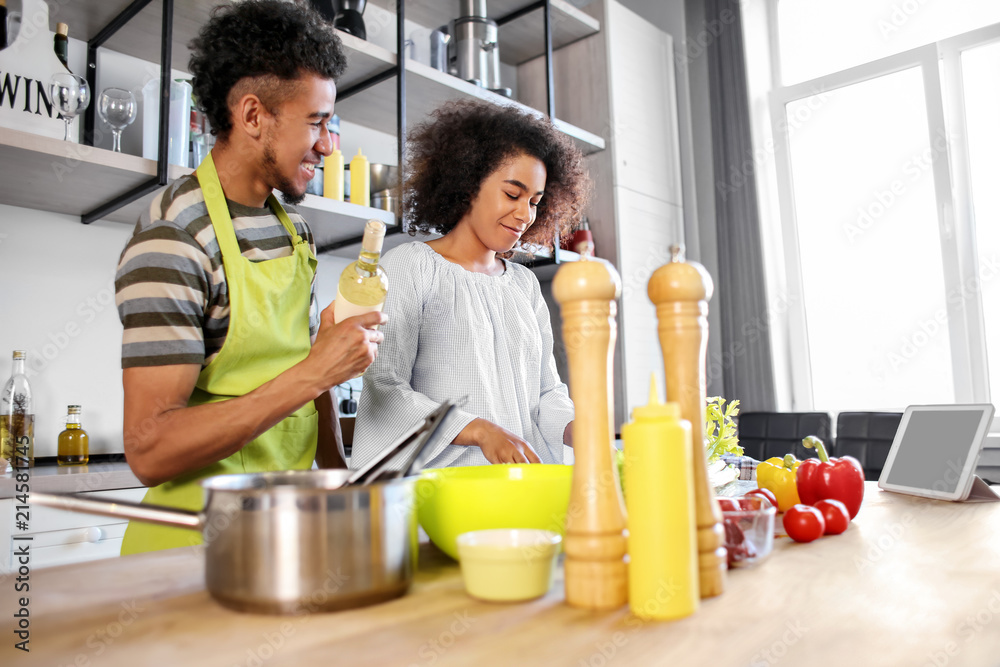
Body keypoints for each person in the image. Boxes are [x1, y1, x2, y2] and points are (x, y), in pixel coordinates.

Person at [114, 0, 385, 554]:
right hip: (192, 548)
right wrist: (314, 372)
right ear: (254, 115)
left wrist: (340, 482)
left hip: (282, 531)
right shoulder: (174, 237)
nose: (328, 145)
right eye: (315, 122)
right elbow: (149, 450)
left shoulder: (293, 232)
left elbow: (308, 374)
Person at [353, 100, 590, 468]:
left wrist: (579, 428)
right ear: (468, 183)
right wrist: (478, 430)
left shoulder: (524, 286)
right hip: (439, 495)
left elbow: (547, 391)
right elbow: (385, 386)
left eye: (535, 202)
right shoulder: (410, 267)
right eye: (513, 194)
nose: (525, 214)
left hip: (517, 489)